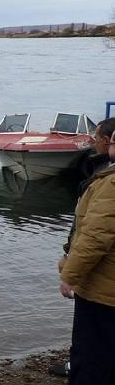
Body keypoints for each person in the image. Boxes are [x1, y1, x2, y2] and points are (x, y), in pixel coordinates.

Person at [51, 118, 115, 377]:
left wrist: (70, 274)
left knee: (92, 356)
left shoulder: (111, 184)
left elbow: (96, 236)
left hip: (103, 290)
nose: (106, 144)